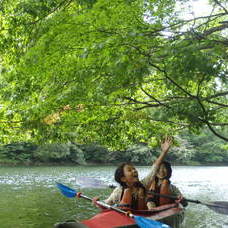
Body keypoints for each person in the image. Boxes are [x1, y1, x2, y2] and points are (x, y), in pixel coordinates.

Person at [93, 136, 173, 210]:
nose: (134, 171)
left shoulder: (144, 184)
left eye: (134, 169)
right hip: (126, 218)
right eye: (129, 170)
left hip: (143, 216)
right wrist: (97, 203)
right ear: (123, 179)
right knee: (126, 193)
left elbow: (154, 169)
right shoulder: (118, 191)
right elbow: (106, 203)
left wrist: (164, 152)